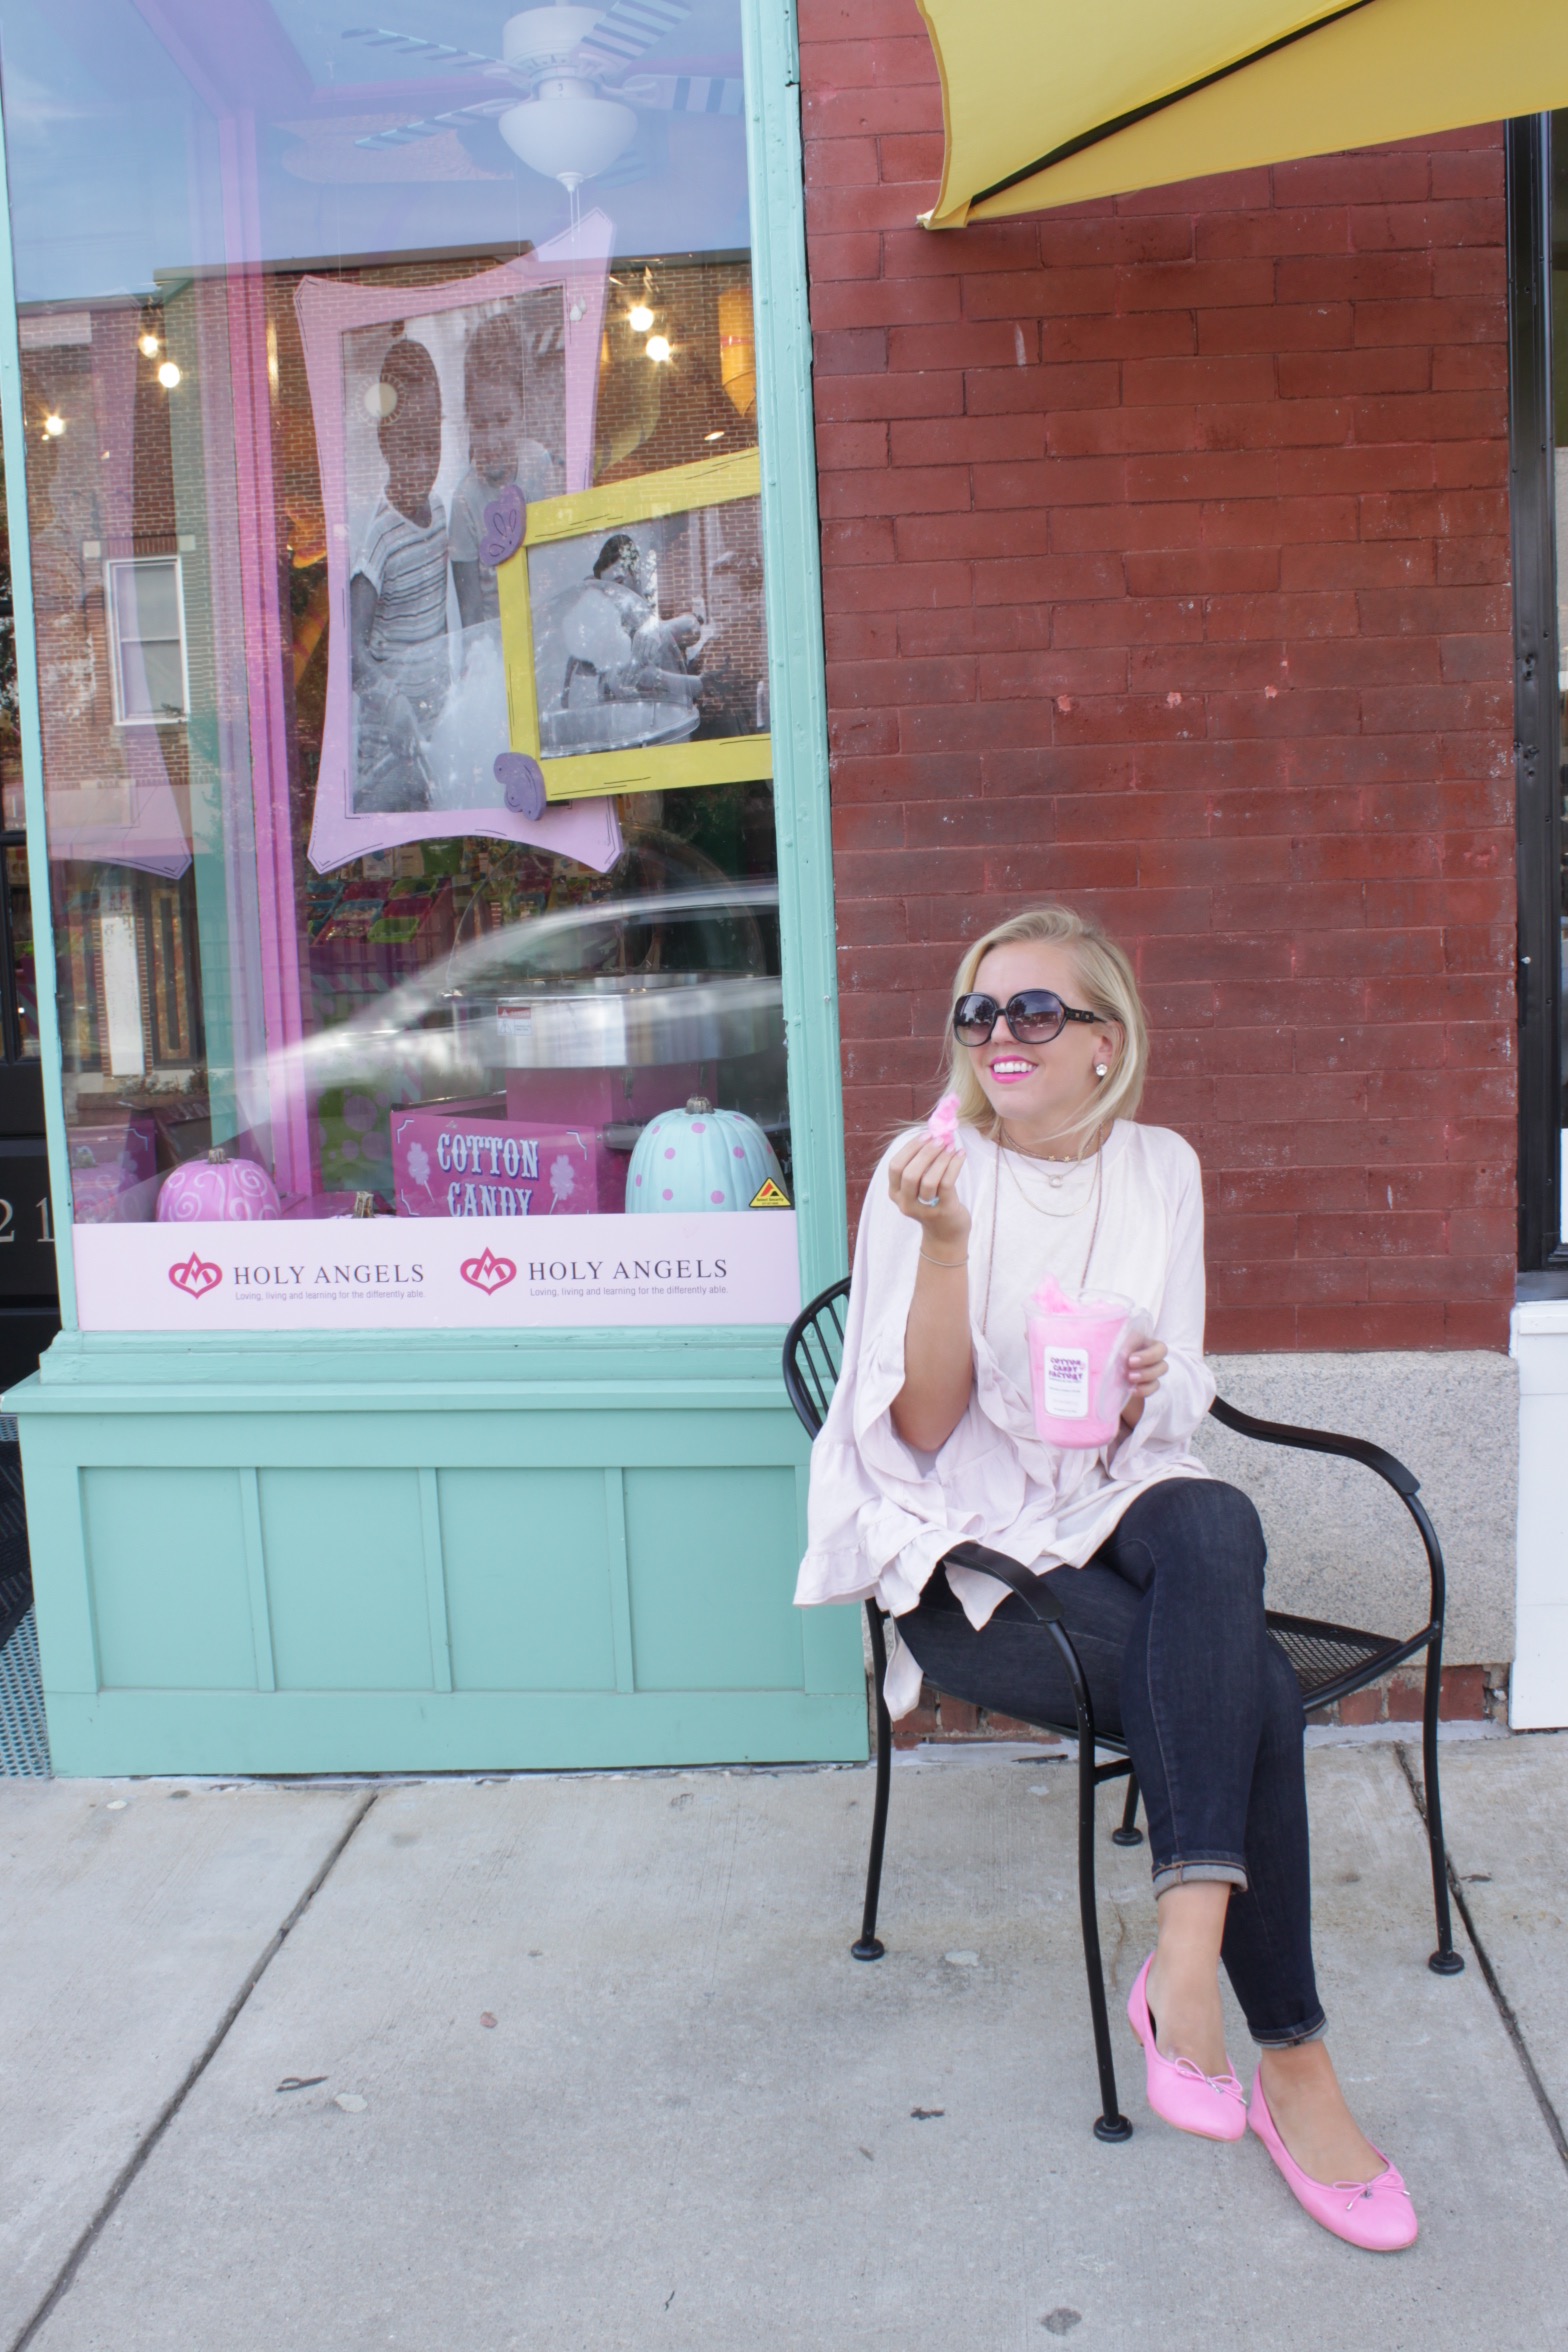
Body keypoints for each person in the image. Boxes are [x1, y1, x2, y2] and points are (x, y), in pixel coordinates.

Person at [797, 903, 1418, 2254]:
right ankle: (1294, 2065)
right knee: (1243, 1680)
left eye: (1034, 1010)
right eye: (978, 1011)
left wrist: (1153, 1378)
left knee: (1213, 1524)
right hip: (968, 1542)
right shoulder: (928, 1169)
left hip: (1113, 1486)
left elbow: (1185, 1380)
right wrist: (948, 1250)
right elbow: (910, 1434)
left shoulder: (1162, 1168)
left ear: (1104, 1041)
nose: (1000, 1034)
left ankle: (1183, 1971)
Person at [350, 336, 449, 815]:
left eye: (431, 444)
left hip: (430, 734)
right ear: (384, 443)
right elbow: (352, 650)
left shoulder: (442, 514)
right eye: (409, 446)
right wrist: (391, 704)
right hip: (386, 751)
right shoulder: (380, 538)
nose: (423, 463)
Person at [449, 311, 561, 632]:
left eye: (503, 420)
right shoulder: (464, 502)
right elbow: (469, 614)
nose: (492, 438)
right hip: (498, 642)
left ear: (522, 412)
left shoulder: (538, 464)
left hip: (543, 622)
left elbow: (553, 557)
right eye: (481, 424)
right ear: (468, 419)